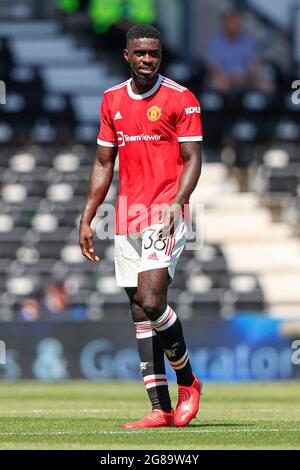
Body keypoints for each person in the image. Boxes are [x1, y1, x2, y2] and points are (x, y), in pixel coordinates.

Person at [80, 24, 203, 428]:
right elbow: (103, 163)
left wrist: (177, 203)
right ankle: (160, 409)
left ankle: (188, 381)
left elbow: (192, 158)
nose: (148, 59)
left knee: (152, 301)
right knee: (137, 309)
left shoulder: (180, 98)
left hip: (165, 212)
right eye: (140, 53)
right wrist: (88, 214)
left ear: (160, 55)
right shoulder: (111, 99)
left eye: (154, 53)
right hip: (126, 215)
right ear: (126, 55)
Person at [206, 9, 275, 93]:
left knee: (266, 86)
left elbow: (254, 63)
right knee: (217, 84)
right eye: (232, 22)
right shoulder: (216, 41)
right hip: (225, 78)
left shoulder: (247, 40)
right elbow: (213, 67)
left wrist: (251, 75)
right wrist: (231, 77)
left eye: (237, 22)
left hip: (245, 78)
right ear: (225, 23)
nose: (235, 25)